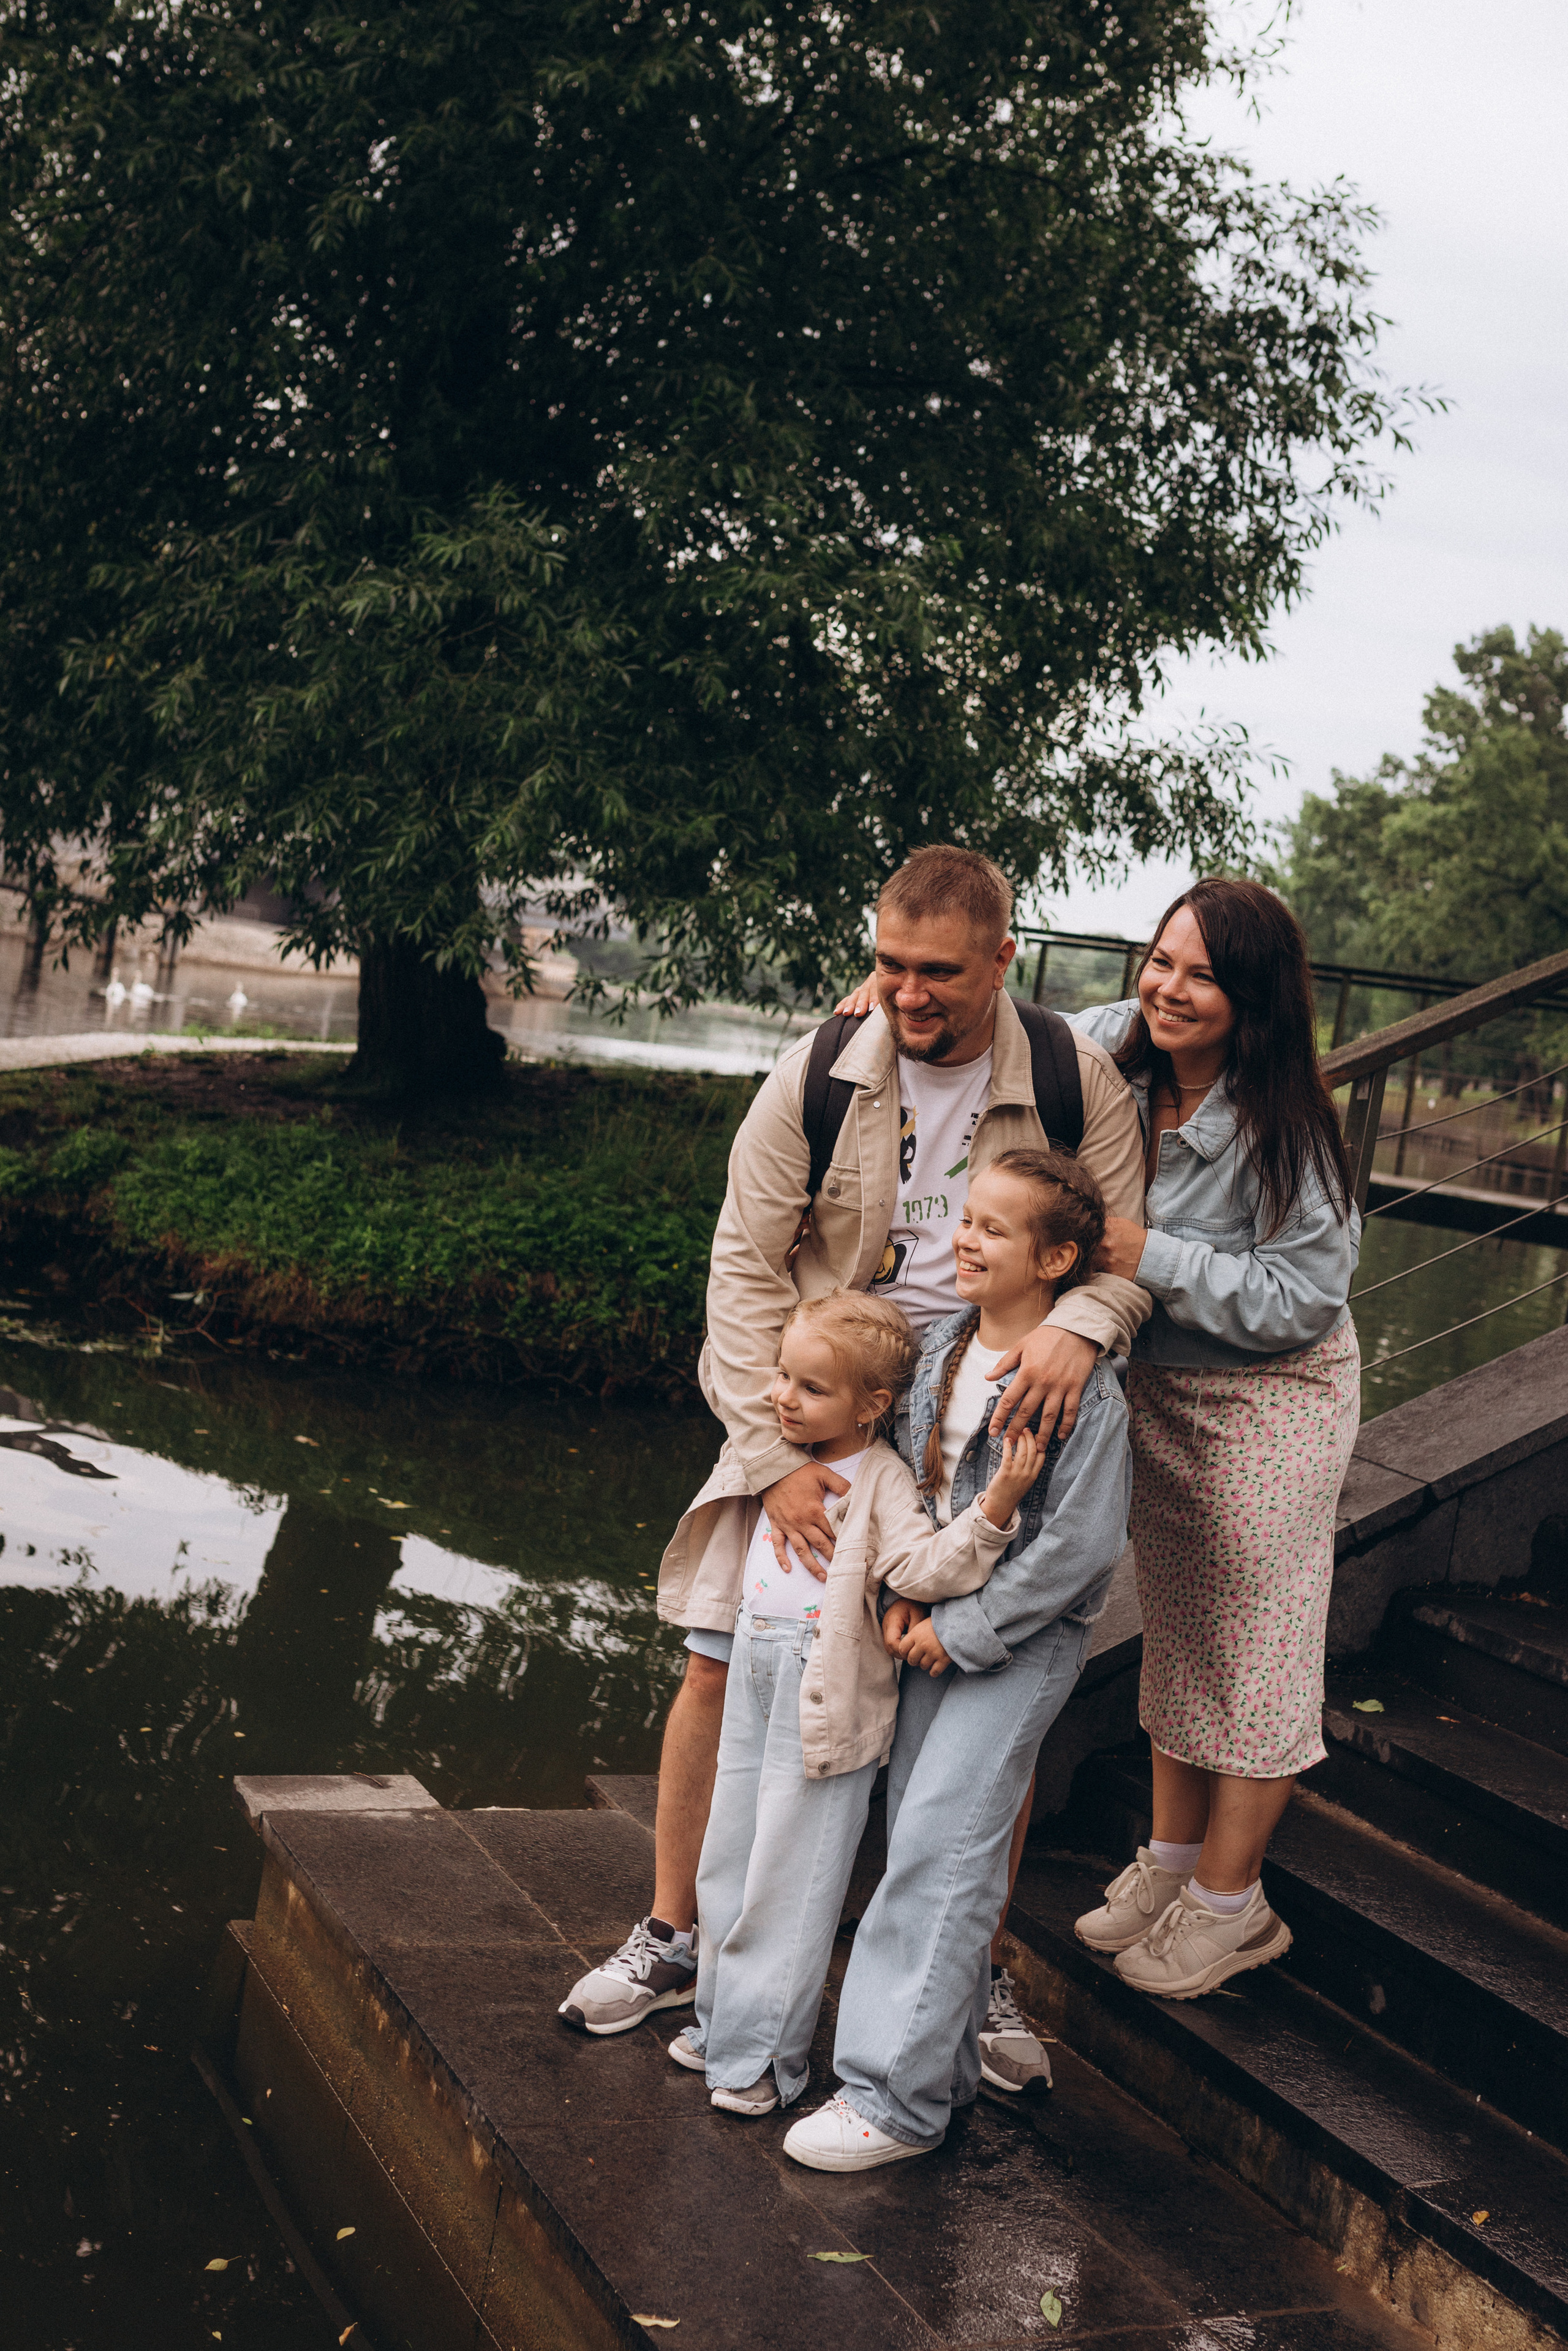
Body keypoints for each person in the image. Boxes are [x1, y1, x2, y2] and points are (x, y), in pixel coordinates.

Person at [556, 845, 1148, 2048]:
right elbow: (740, 1261)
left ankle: (968, 1968)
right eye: (886, 963)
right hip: (817, 1408)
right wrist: (771, 1460)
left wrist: (1073, 1334)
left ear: (1002, 959)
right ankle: (675, 1936)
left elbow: (1120, 1262)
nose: (907, 992)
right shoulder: (821, 1067)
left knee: (985, 1701)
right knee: (721, 1657)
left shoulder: (1075, 1081)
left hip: (977, 1416)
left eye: (937, 970)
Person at [781, 1149, 1132, 2170]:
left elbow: (1079, 1548)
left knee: (941, 1843)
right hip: (926, 1621)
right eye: (965, 1219)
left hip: (1014, 1645)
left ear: (1057, 1257)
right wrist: (900, 1595)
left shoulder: (1089, 1394)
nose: (964, 1238)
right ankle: (943, 2066)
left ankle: (893, 2099)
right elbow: (905, 1489)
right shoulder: (938, 1350)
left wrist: (962, 1630)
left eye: (992, 1228)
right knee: (928, 1839)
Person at [1069, 877, 1360, 1999]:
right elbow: (1012, 1027)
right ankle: (1176, 1862)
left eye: (1201, 974)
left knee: (1259, 1643)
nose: (1167, 989)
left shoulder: (1292, 1130)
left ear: (1253, 1000)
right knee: (1184, 1625)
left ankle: (1236, 1906)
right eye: (1159, 960)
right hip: (1164, 1396)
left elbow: (1305, 1295)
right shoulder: (1113, 1051)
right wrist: (873, 991)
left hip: (1273, 1399)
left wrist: (1147, 1253)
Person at [659, 1289, 1045, 2115]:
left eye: (810, 1388)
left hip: (824, 1703)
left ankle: (767, 2057)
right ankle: (722, 2020)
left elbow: (926, 1569)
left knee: (789, 1883)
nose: (783, 1399)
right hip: (757, 1684)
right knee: (728, 1855)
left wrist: (994, 1508)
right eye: (782, 1377)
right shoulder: (781, 1468)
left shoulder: (880, 1477)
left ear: (872, 1405)